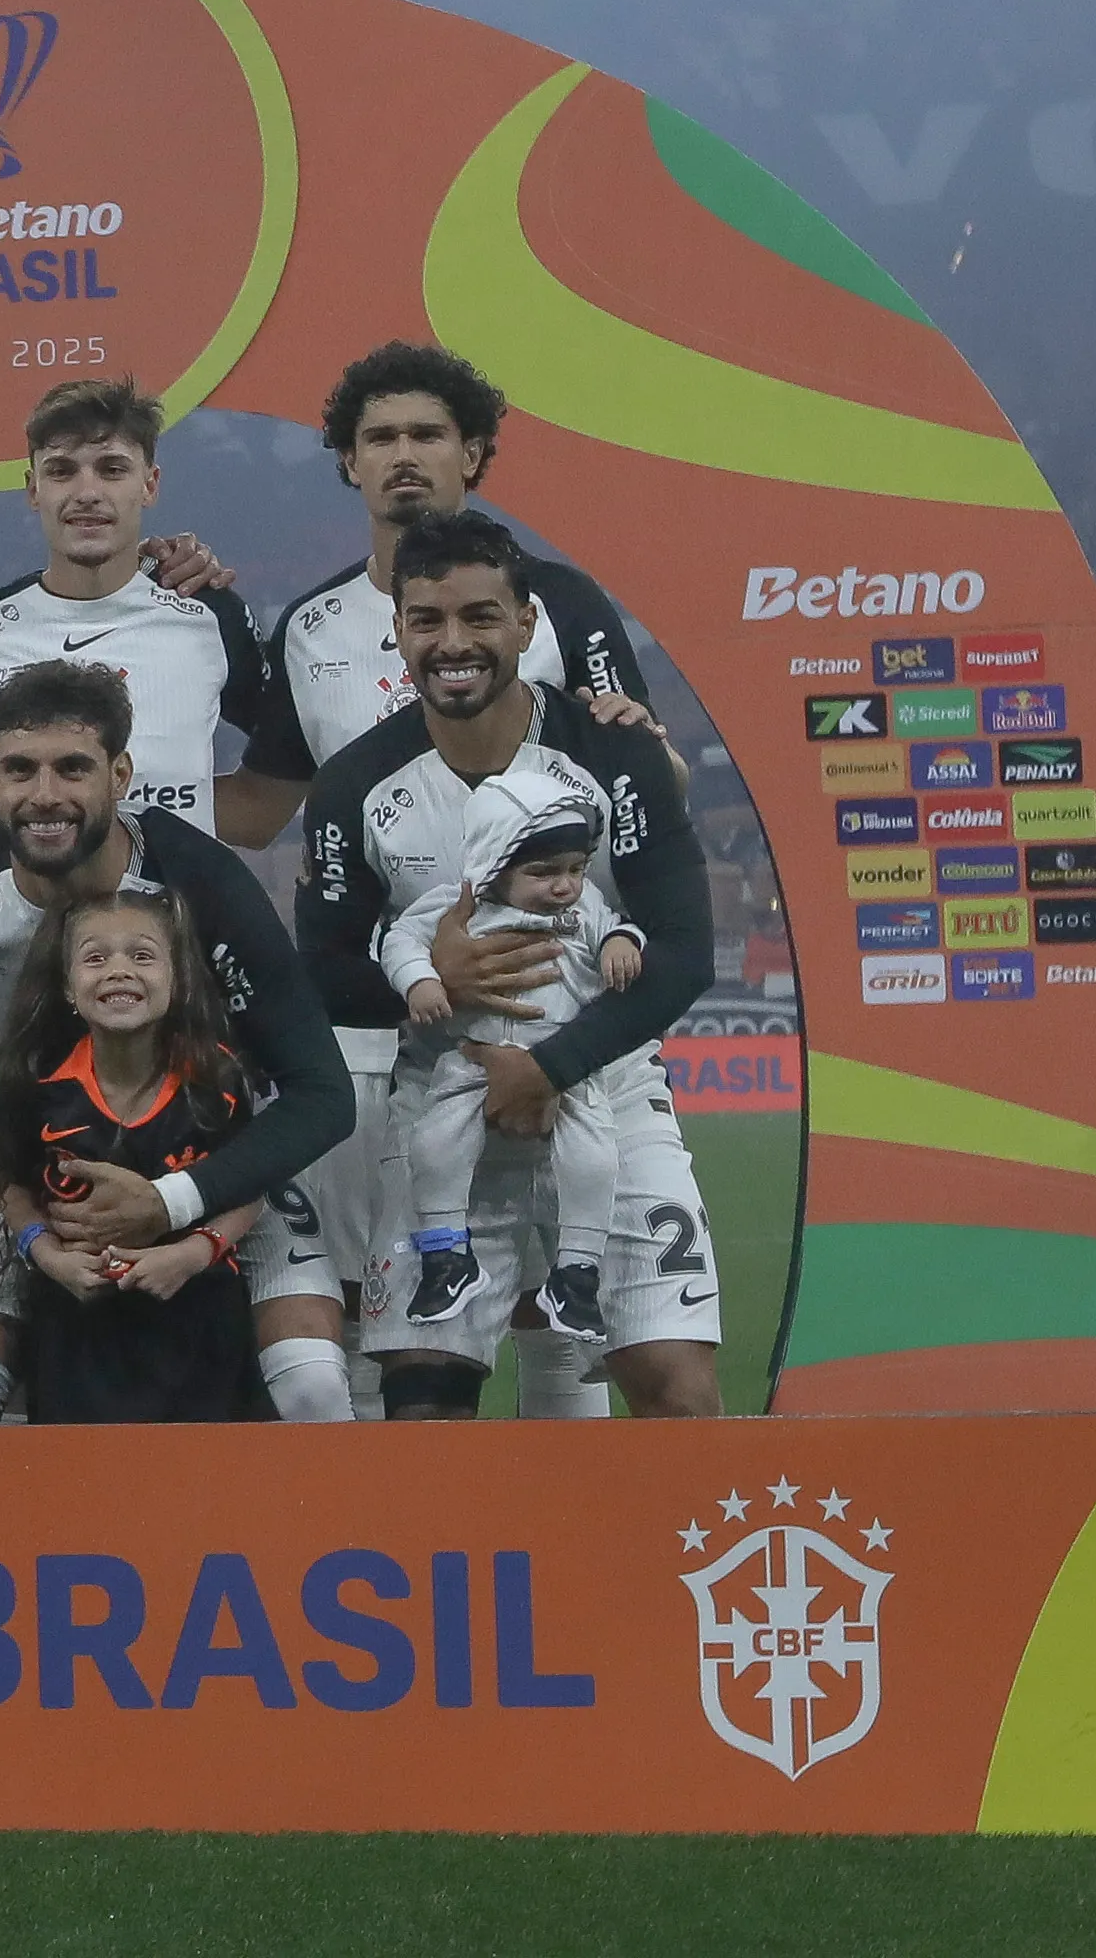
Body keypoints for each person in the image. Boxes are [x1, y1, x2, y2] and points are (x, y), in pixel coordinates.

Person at [226, 339, 703, 1423]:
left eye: (428, 435)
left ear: (473, 451)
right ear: (349, 462)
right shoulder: (309, 628)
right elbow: (275, 800)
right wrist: (119, 797)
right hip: (409, 1029)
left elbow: (648, 771)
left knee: (567, 1317)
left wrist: (642, 764)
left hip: (573, 1002)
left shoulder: (563, 603)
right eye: (382, 438)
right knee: (403, 1335)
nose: (404, 457)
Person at [0, 656, 360, 1424]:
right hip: (32, 1162)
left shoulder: (203, 887)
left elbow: (323, 1096)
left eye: (73, 768)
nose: (44, 796)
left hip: (219, 1163)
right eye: (20, 770)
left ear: (120, 774)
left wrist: (171, 1200)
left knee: (314, 1384)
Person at [299, 511, 716, 1419]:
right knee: (420, 1413)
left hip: (606, 1090)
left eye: (481, 618)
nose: (454, 644)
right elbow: (323, 967)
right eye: (427, 621)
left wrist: (550, 1068)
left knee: (678, 1390)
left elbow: (685, 952)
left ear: (527, 626)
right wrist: (425, 981)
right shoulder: (353, 786)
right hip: (447, 1096)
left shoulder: (616, 753)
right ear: (398, 631)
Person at [0, 890, 280, 1422]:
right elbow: (13, 1184)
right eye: (95, 957)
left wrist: (191, 1254)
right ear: (68, 986)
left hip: (197, 1312)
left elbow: (250, 1188)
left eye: (142, 956)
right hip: (78, 1321)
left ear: (177, 979)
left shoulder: (218, 1080)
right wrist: (48, 1257)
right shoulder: (34, 1084)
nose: (118, 971)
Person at [384, 777, 638, 1341]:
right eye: (543, 873)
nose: (563, 887)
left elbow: (619, 927)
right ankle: (447, 1257)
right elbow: (399, 939)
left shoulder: (588, 907)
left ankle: (576, 1273)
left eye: (575, 869)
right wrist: (420, 980)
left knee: (595, 1161)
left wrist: (624, 944)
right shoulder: (459, 905)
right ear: (494, 861)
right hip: (472, 1060)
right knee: (432, 1146)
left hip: (566, 1069)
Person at [0, 379, 266, 832]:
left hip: (173, 903)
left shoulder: (210, 615)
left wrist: (183, 841)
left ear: (150, 483)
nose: (87, 492)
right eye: (61, 471)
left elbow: (287, 766)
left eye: (112, 469)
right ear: (33, 488)